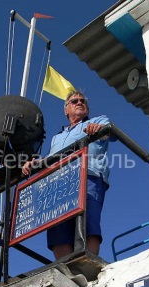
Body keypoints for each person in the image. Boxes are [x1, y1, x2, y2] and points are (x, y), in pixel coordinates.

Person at [21, 90, 116, 259]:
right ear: (66, 110)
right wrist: (34, 163)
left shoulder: (97, 120)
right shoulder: (57, 138)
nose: (79, 103)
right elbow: (49, 159)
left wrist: (100, 129)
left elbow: (111, 132)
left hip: (88, 176)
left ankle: (88, 264)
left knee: (89, 223)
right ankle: (65, 268)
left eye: (82, 101)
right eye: (74, 101)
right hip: (57, 183)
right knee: (58, 228)